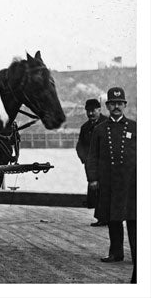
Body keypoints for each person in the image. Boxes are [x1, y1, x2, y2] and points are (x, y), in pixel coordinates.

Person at [86, 87, 136, 281]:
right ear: (107, 106)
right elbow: (92, 157)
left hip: (131, 182)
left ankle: (138, 256)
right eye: (113, 103)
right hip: (109, 182)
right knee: (113, 219)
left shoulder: (134, 127)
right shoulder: (99, 130)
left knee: (134, 220)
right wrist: (93, 179)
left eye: (119, 103)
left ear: (124, 105)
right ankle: (116, 253)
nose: (116, 106)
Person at [76, 98, 107, 226]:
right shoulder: (85, 127)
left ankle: (105, 218)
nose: (90, 113)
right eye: (88, 111)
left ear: (99, 110)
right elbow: (80, 146)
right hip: (91, 165)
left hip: (106, 164)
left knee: (105, 191)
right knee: (96, 191)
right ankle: (103, 218)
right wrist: (86, 159)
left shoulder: (107, 123)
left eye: (93, 110)